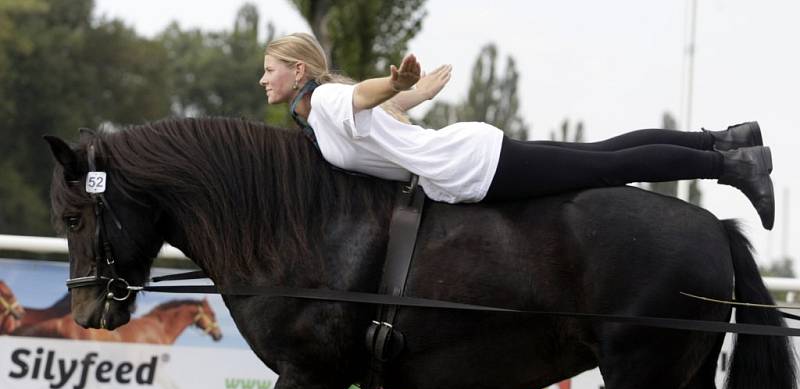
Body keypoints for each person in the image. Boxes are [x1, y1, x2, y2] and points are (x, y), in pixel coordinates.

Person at [259, 33, 775, 230]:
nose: (264, 79)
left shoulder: (325, 101)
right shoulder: (316, 114)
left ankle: (730, 167)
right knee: (604, 154)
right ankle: (726, 138)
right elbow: (383, 112)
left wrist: (392, 82)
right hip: (466, 157)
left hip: (473, 168)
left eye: (270, 69)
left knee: (609, 167)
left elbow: (364, 96)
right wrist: (414, 93)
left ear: (298, 72)